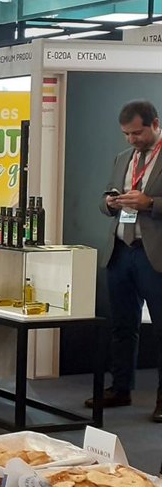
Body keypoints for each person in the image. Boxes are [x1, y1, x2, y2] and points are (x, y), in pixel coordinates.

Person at [87, 100, 162, 420]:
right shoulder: (122, 158)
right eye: (126, 134)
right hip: (120, 251)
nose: (132, 139)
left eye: (137, 133)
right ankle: (120, 388)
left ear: (155, 124)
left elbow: (151, 203)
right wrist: (109, 203)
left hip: (154, 254)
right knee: (122, 324)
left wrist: (150, 203)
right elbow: (105, 197)